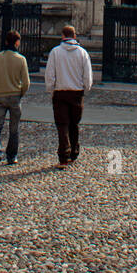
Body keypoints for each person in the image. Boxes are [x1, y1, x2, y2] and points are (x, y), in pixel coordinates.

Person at [44, 25, 93, 170]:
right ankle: (74, 153)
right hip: (76, 93)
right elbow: (87, 76)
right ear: (75, 36)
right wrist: (85, 88)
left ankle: (63, 157)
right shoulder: (83, 53)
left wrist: (51, 90)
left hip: (60, 93)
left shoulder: (55, 52)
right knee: (74, 124)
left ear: (62, 36)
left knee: (62, 125)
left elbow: (49, 74)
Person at [0, 31, 31, 170]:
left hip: (0, 96)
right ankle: (12, 156)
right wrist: (21, 93)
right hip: (15, 96)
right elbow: (26, 82)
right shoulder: (21, 59)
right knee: (14, 129)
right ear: (17, 43)